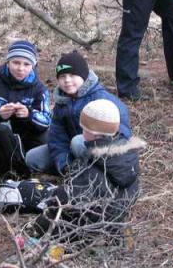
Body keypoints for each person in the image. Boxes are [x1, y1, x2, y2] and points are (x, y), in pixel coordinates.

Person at [32, 99, 145, 243]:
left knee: (58, 200)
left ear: (91, 132)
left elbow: (66, 199)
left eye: (84, 128)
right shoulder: (129, 156)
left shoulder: (89, 166)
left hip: (91, 228)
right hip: (117, 219)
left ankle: (38, 235)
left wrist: (39, 226)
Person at [25, 51, 131, 175]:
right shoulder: (61, 103)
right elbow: (57, 139)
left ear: (84, 76)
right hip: (73, 150)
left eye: (72, 75)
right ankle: (75, 172)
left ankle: (95, 174)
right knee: (32, 158)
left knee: (78, 141)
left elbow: (122, 135)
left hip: (103, 151)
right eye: (62, 77)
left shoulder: (102, 98)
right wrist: (64, 165)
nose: (67, 80)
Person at [0, 40, 51, 186]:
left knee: (44, 136)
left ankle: (25, 171)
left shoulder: (39, 88)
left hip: (24, 134)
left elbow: (46, 120)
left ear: (33, 65)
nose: (21, 69)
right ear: (8, 62)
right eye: (16, 62)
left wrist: (29, 114)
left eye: (26, 64)